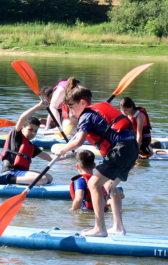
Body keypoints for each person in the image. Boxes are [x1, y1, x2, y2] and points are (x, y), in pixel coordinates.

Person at [54, 84, 138, 237]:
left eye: (72, 107)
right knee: (112, 187)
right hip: (132, 149)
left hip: (121, 149)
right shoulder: (94, 112)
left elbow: (79, 141)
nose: (70, 111)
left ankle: (100, 229)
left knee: (93, 183)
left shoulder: (86, 115)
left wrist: (62, 149)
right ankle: (119, 227)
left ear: (82, 103)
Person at [0, 100, 66, 186]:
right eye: (30, 130)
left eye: (35, 131)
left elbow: (50, 157)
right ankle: (7, 179)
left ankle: (21, 180)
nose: (33, 133)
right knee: (43, 180)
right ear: (22, 128)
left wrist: (71, 155)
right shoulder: (16, 136)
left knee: (49, 178)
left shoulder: (31, 146)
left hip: (21, 172)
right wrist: (38, 106)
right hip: (11, 171)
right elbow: (23, 118)